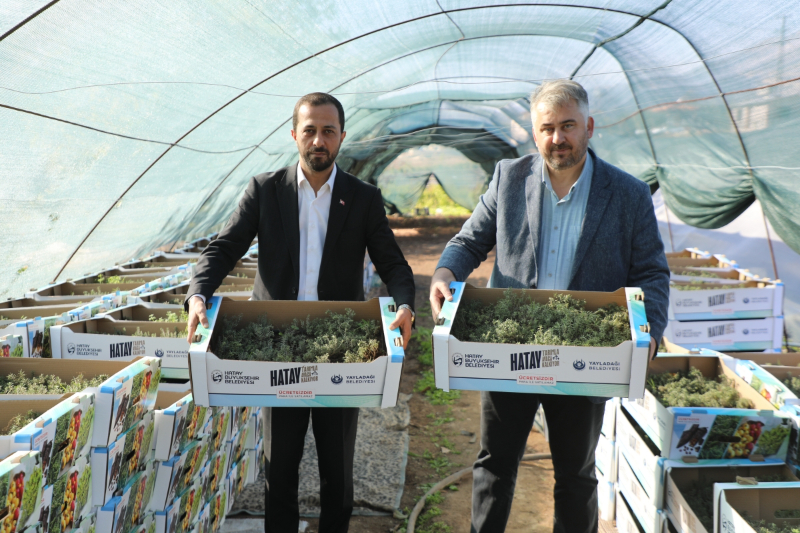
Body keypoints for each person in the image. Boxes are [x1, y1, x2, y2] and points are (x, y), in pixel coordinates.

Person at [429, 79, 669, 533]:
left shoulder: (628, 194)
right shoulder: (509, 178)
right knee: (495, 463)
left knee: (575, 475)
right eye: (547, 128)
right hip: (509, 346)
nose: (558, 138)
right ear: (534, 133)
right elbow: (469, 241)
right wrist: (445, 273)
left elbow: (651, 272)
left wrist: (650, 329)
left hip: (586, 354)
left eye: (568, 126)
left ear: (589, 127)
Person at [184, 92, 416, 533]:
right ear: (294, 135)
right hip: (278, 345)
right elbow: (225, 248)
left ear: (342, 137)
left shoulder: (363, 198)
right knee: (281, 466)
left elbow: (393, 264)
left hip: (341, 347)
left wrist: (404, 304)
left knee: (337, 467)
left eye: (328, 131)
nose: (318, 140)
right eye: (309, 130)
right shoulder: (265, 190)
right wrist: (198, 295)